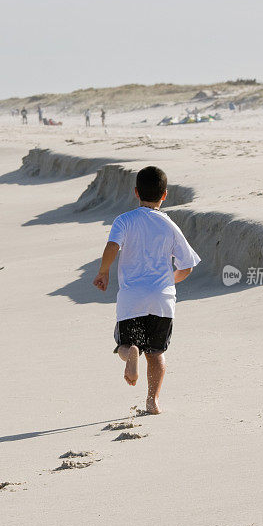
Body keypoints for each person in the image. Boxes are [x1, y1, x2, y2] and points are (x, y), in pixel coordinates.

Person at [93, 166, 200, 414]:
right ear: (165, 195)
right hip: (162, 299)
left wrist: (103, 271)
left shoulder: (125, 220)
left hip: (131, 298)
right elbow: (187, 266)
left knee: (125, 343)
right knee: (157, 353)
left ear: (136, 192)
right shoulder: (169, 225)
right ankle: (152, 401)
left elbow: (112, 246)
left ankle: (131, 352)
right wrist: (168, 283)